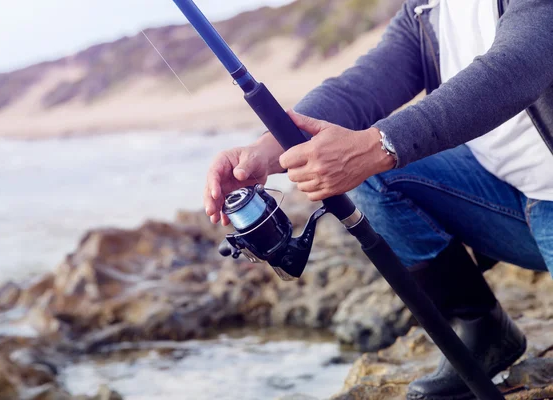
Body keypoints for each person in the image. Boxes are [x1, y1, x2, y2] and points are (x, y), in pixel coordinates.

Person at [203, 0, 553, 399]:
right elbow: (363, 86)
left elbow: (516, 67)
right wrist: (268, 151)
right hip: (503, 192)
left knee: (369, 159)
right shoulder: (427, 8)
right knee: (372, 178)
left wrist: (378, 145)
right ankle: (482, 329)